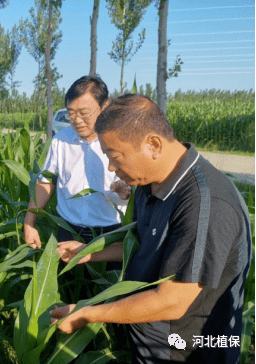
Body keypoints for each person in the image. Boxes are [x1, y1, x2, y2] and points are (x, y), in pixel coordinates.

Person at [50, 94, 252, 364]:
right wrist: (89, 252)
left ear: (153, 145)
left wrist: (88, 312)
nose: (111, 167)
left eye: (114, 156)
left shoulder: (206, 203)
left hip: (187, 352)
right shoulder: (150, 183)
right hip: (151, 341)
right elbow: (148, 245)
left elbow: (174, 300)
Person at [23, 75, 131, 250]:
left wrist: (127, 192)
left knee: (108, 277)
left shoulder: (122, 141)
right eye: (71, 114)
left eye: (84, 113)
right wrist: (29, 222)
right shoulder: (60, 140)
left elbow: (140, 190)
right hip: (68, 230)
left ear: (104, 106)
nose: (77, 121)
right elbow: (46, 181)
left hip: (110, 234)